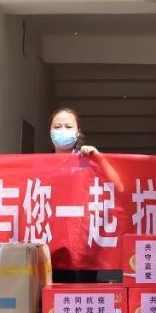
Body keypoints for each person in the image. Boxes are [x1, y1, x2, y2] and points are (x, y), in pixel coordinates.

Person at [49, 108, 110, 284]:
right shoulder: (39, 165)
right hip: (49, 244)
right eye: (57, 126)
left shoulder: (88, 161)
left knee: (80, 294)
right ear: (50, 131)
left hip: (81, 245)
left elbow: (118, 186)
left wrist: (99, 159)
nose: (62, 130)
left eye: (68, 126)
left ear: (78, 132)